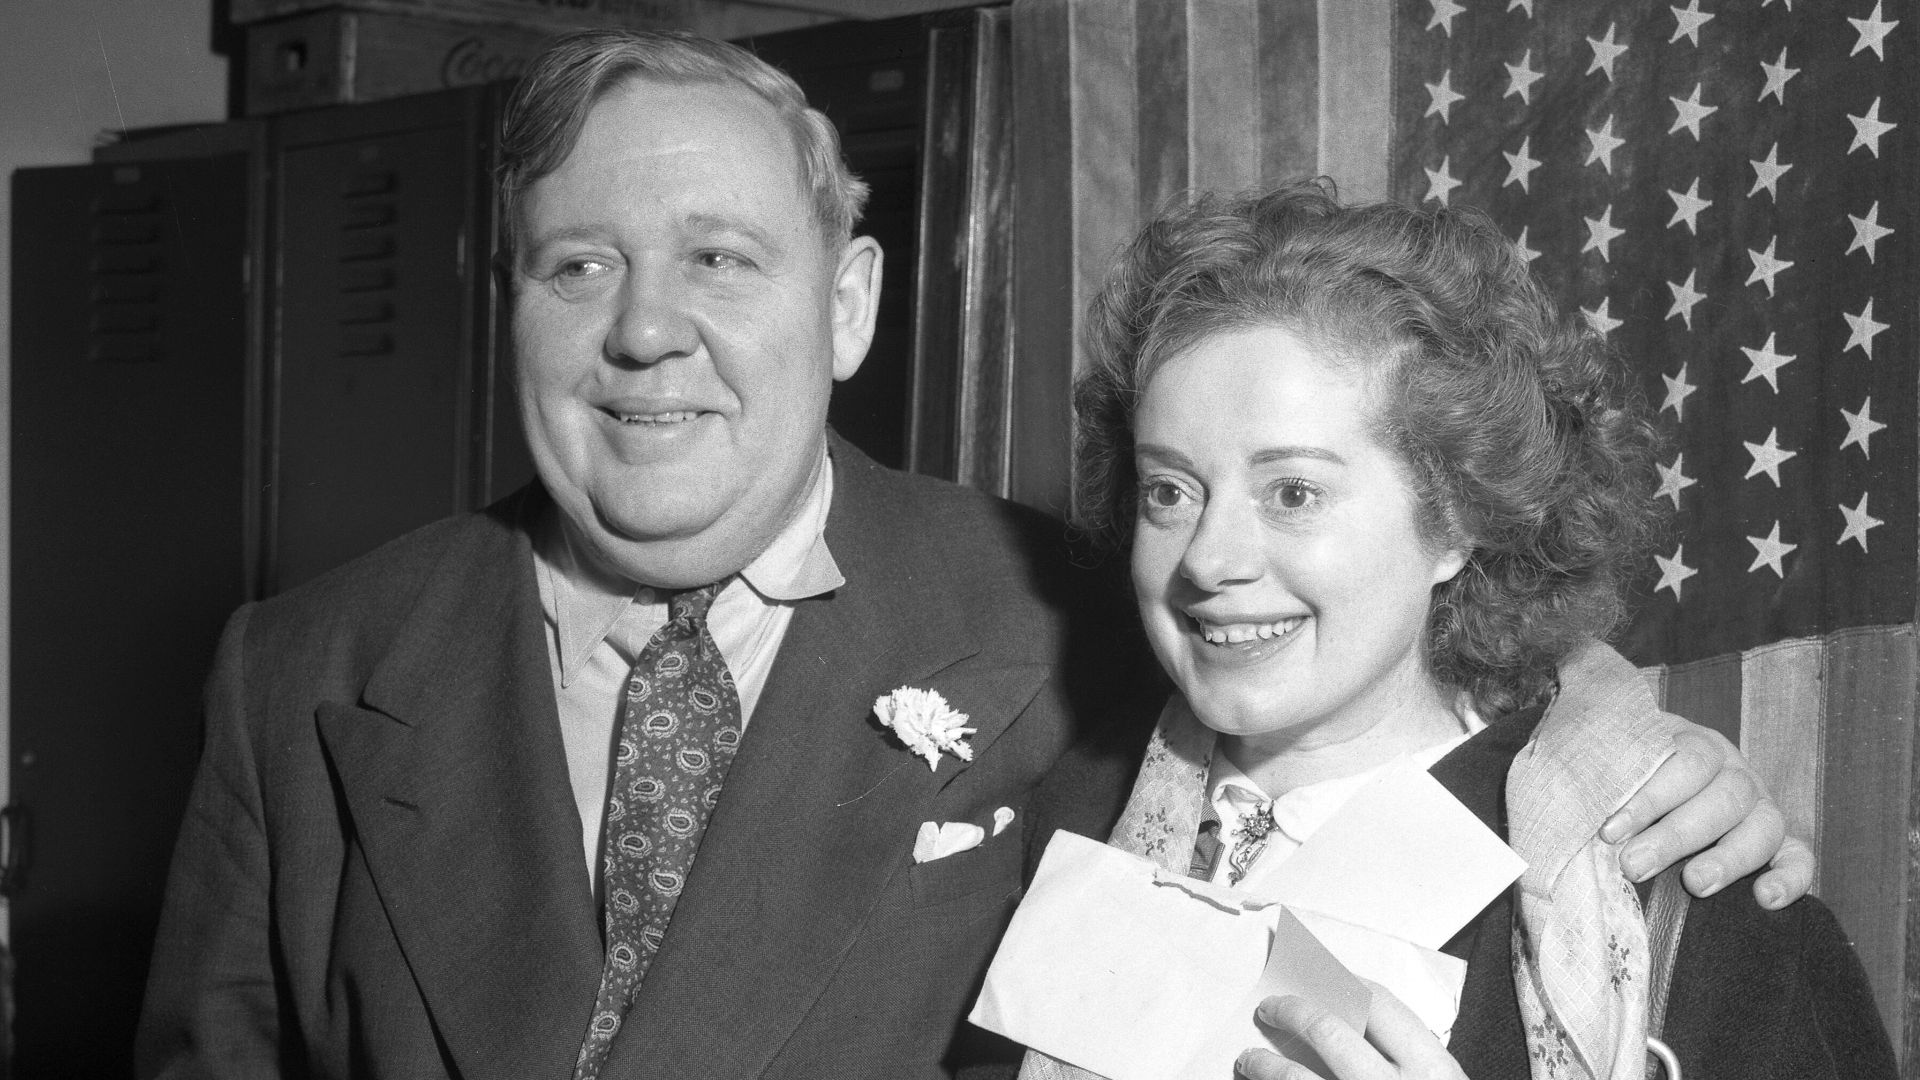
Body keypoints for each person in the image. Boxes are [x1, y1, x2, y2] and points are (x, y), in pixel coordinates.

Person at [137, 30, 1807, 1080]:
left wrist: (1601, 730)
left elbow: (1360, 665)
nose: (647, 330)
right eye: (577, 264)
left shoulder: (1053, 627)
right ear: (503, 299)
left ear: (850, 299)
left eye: (722, 257)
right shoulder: (305, 674)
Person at [1024, 182, 1892, 1080]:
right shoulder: (1046, 821)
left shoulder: (1698, 915)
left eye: (1293, 494)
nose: (1207, 559)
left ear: (1458, 516)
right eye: (1170, 490)